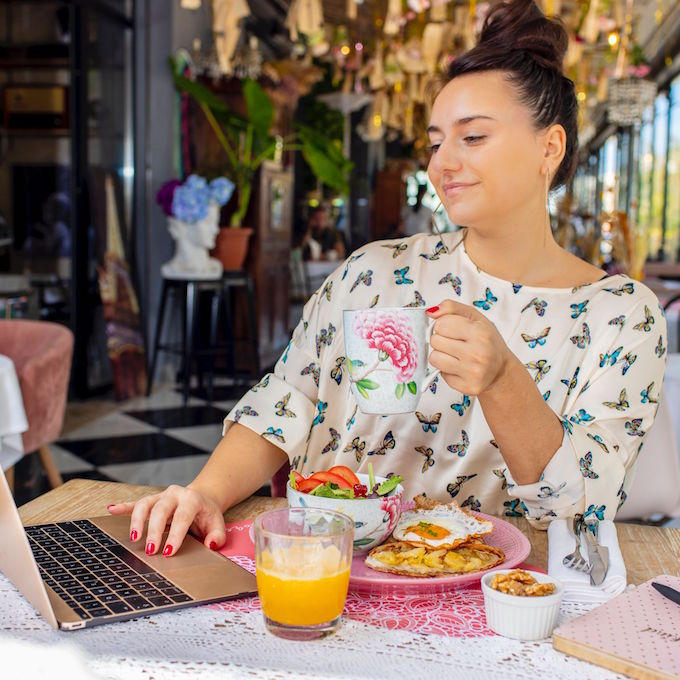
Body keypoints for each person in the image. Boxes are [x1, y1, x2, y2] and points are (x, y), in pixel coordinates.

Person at [109, 0, 666, 556]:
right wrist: (206, 492)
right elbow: (288, 399)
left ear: (550, 147)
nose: (442, 163)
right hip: (331, 570)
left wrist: (503, 382)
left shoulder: (620, 315)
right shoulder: (377, 271)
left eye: (472, 138)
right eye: (435, 142)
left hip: (495, 593)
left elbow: (583, 510)